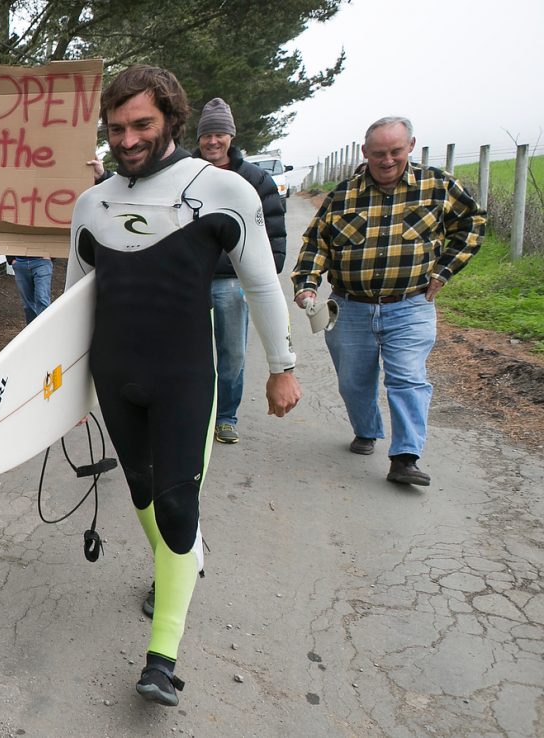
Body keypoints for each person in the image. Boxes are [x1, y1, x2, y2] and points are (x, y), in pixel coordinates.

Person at [65, 65, 301, 707]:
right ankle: (183, 559)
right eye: (116, 128)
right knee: (142, 492)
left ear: (171, 117)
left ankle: (162, 659)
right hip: (115, 377)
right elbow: (71, 304)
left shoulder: (222, 191)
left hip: (184, 378)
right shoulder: (92, 203)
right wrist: (67, 397)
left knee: (174, 505)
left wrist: (283, 367)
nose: (127, 139)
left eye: (141, 124)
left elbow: (260, 284)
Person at [291, 116, 486, 486]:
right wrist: (307, 284)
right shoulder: (342, 195)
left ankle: (405, 457)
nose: (387, 160)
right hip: (350, 307)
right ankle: (366, 430)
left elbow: (473, 223)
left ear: (410, 146)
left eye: (396, 151)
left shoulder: (438, 186)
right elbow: (316, 244)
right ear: (365, 153)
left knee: (408, 378)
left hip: (410, 305)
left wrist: (443, 271)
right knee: (353, 381)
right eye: (379, 153)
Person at [193, 97, 287, 444]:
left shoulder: (256, 180)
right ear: (199, 138)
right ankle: (196, 414)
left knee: (232, 356)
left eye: (220, 134)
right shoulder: (183, 175)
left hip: (233, 283)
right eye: (207, 135)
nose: (213, 142)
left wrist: (267, 268)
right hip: (192, 281)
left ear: (231, 136)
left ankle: (226, 417)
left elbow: (274, 231)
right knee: (191, 355)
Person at [9, 255, 53, 324]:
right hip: (20, 264)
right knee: (28, 304)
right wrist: (11, 259)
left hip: (42, 262)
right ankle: (33, 330)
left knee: (42, 298)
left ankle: (45, 329)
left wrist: (51, 255)